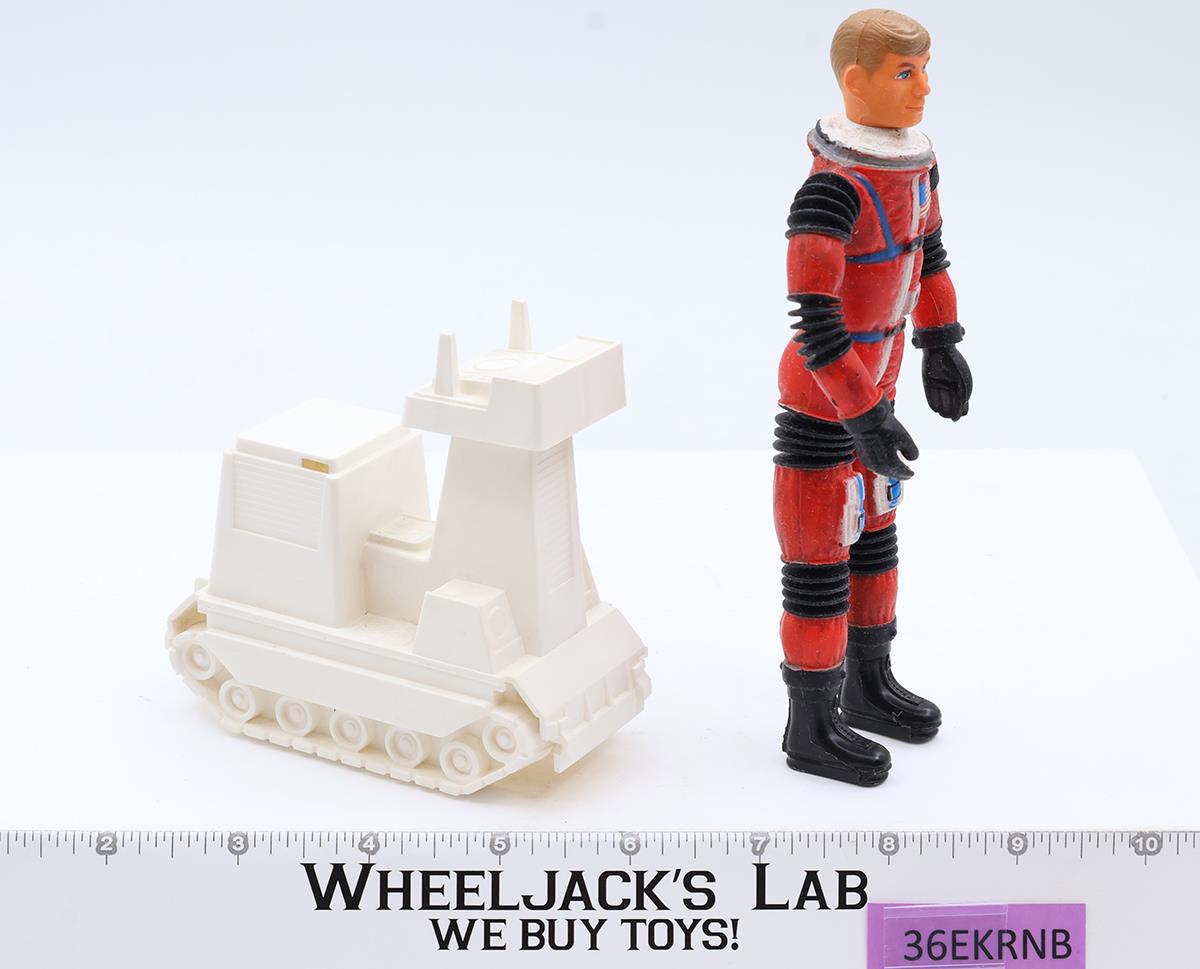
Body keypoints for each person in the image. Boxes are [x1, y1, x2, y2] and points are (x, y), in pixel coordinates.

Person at [774, 8, 973, 786]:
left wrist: (940, 341)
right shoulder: (830, 192)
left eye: (925, 70)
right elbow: (817, 320)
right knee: (819, 566)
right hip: (824, 409)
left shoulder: (917, 169)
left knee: (875, 544)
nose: (924, 88)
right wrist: (860, 413)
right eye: (905, 73)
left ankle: (868, 683)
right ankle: (811, 723)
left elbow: (930, 257)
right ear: (856, 82)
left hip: (877, 403)